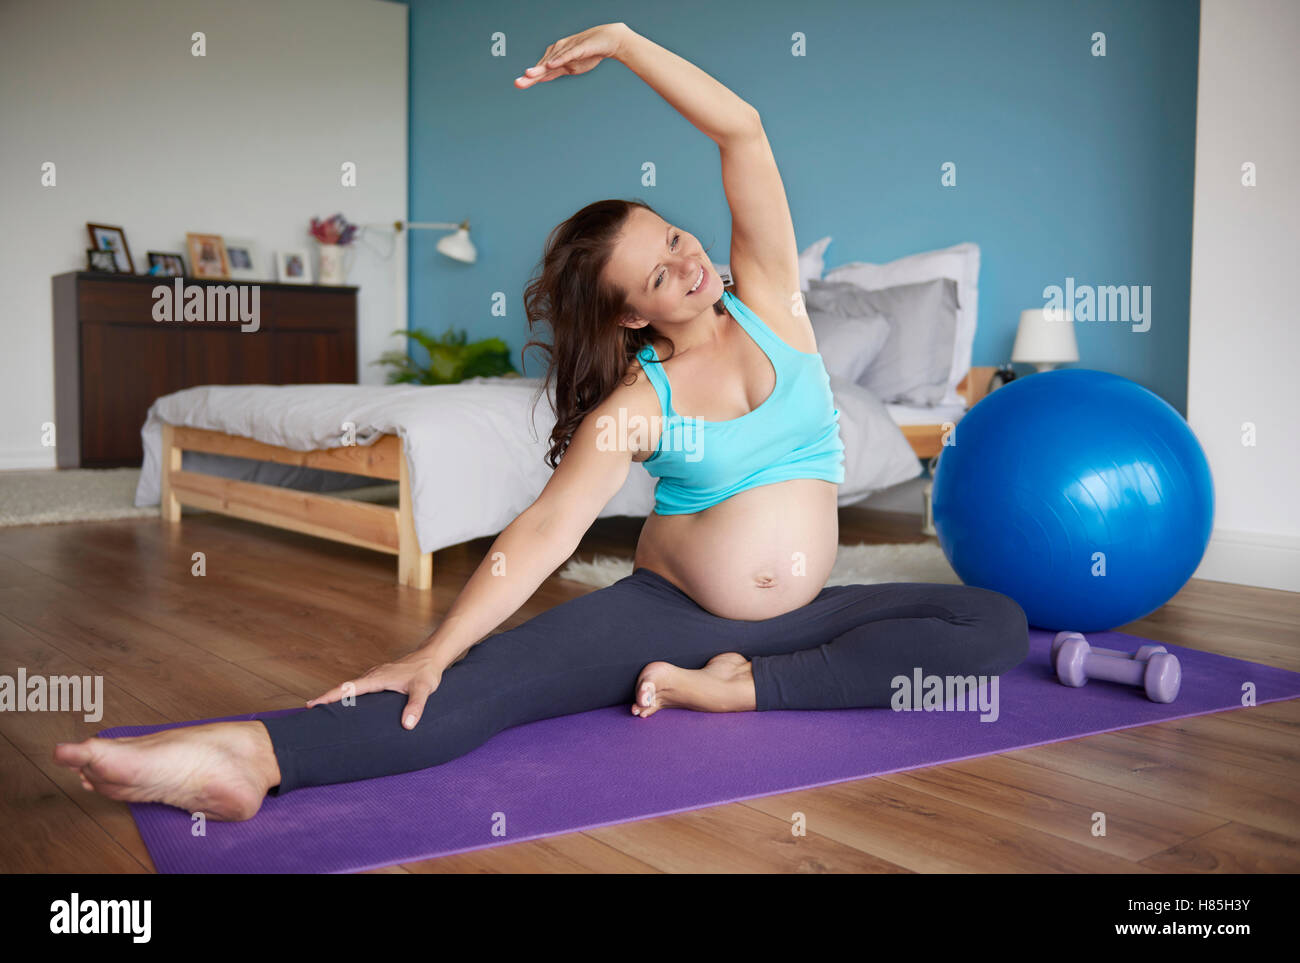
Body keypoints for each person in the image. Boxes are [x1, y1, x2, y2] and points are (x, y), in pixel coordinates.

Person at [53, 23, 1028, 821]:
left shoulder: (774, 305)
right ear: (633, 314)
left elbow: (742, 133)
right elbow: (545, 531)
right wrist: (436, 648)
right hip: (666, 618)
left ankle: (736, 690)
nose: (689, 263)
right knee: (470, 696)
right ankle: (249, 754)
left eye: (677, 240)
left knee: (988, 626)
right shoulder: (638, 403)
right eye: (657, 273)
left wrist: (624, 42)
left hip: (805, 620)